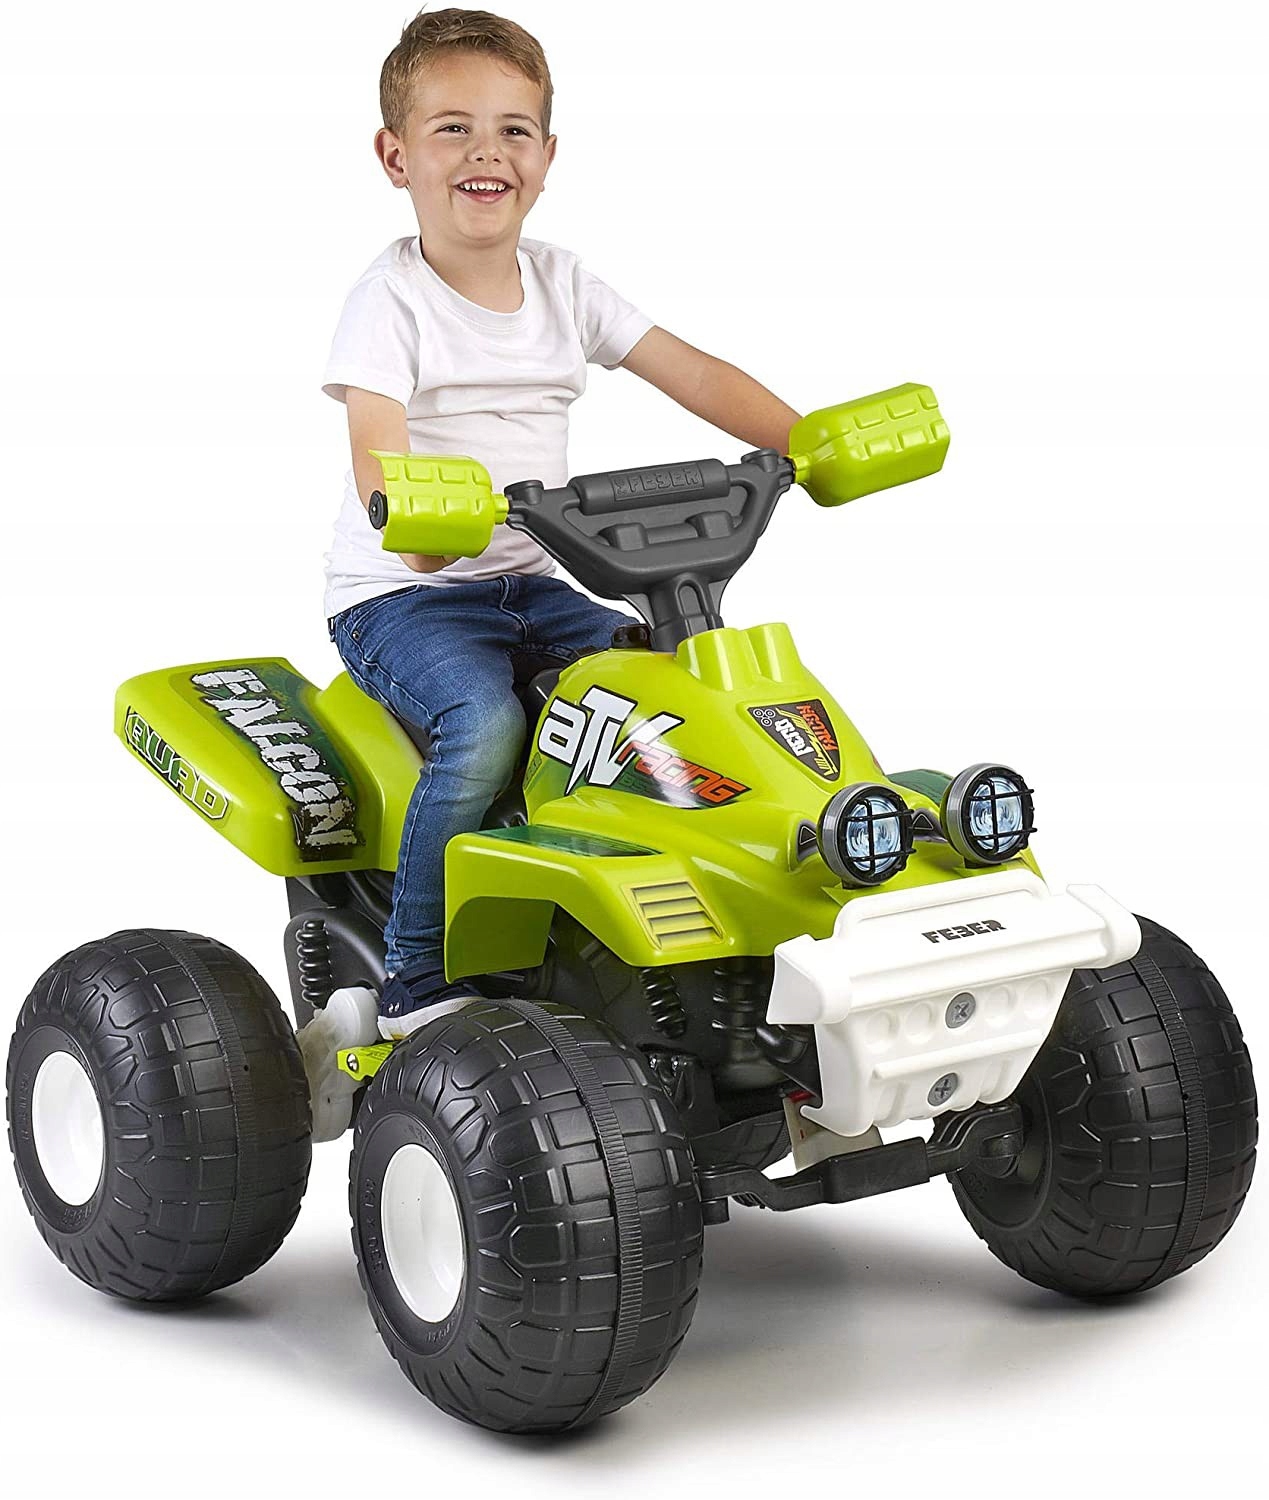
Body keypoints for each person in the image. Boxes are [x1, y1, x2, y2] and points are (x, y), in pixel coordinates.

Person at [323, 6, 801, 1037]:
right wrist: (410, 517)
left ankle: (679, 929)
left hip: (535, 581)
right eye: (452, 128)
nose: (485, 151)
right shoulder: (389, 301)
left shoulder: (564, 283)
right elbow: (375, 440)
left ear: (546, 156)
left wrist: (806, 440)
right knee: (484, 725)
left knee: (663, 689)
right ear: (396, 156)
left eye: (513, 129)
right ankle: (417, 977)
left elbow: (696, 373)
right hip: (406, 595)